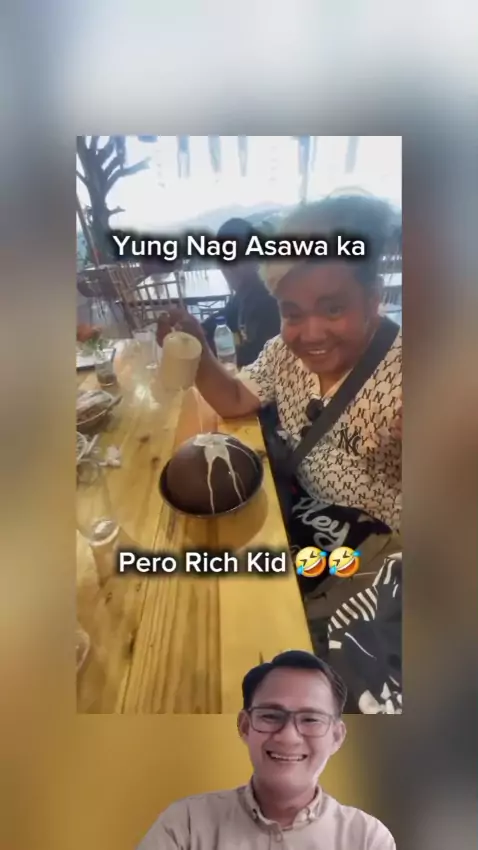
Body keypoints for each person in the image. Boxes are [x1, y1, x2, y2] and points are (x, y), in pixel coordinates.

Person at [156, 195, 402, 596]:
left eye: (333, 309)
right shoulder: (282, 353)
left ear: (372, 300)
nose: (312, 334)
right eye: (293, 313)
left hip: (373, 563)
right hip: (302, 515)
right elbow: (235, 399)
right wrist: (196, 348)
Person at [137, 650, 396, 848]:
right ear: (245, 726)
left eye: (310, 719)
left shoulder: (367, 838)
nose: (288, 736)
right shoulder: (185, 824)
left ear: (336, 736)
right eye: (271, 716)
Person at [202, 217, 281, 368]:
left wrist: (205, 349)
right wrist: (195, 331)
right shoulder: (245, 291)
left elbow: (261, 358)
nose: (228, 270)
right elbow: (224, 317)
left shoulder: (270, 300)